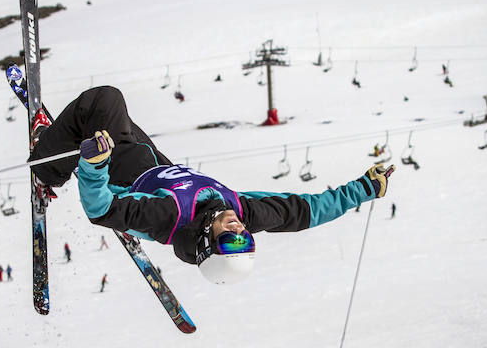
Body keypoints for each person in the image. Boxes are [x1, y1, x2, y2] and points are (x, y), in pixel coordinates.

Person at [28, 85, 394, 285]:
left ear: (205, 241)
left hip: (127, 172)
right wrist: (364, 189)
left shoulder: (168, 216)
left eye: (231, 240)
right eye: (246, 240)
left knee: (103, 101)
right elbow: (305, 212)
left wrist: (94, 167)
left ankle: (47, 169)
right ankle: (66, 143)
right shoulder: (240, 211)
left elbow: (101, 209)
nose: (240, 230)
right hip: (153, 160)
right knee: (103, 119)